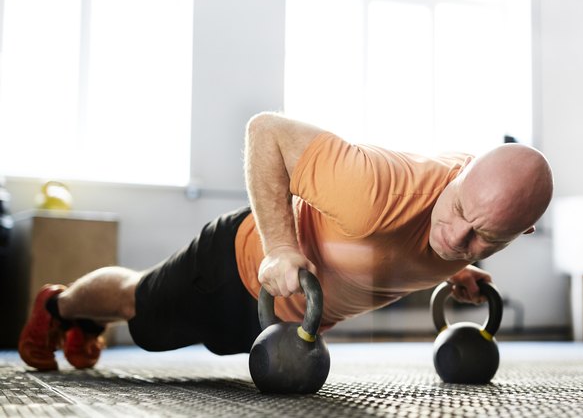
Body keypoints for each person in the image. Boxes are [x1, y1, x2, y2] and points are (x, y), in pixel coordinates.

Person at [18, 112, 554, 371]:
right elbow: (264, 130)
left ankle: (77, 316)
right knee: (138, 307)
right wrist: (280, 245)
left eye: (484, 238)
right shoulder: (373, 186)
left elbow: (432, 238)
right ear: (457, 177)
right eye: (458, 213)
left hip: (288, 319)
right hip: (236, 267)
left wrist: (454, 270)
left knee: (166, 330)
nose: (457, 239)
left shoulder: (473, 212)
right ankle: (59, 305)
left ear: (520, 234)